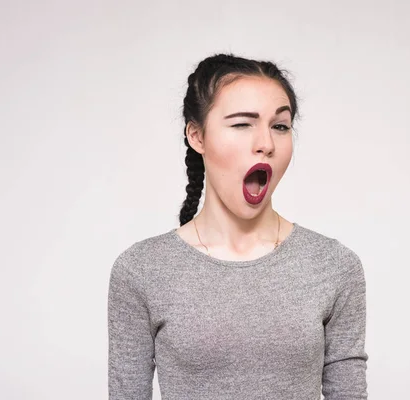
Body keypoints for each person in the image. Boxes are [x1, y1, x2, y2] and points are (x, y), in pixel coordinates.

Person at [107, 53, 368, 399]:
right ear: (197, 136)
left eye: (280, 126)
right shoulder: (141, 270)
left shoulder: (334, 265)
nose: (266, 143)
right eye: (242, 124)